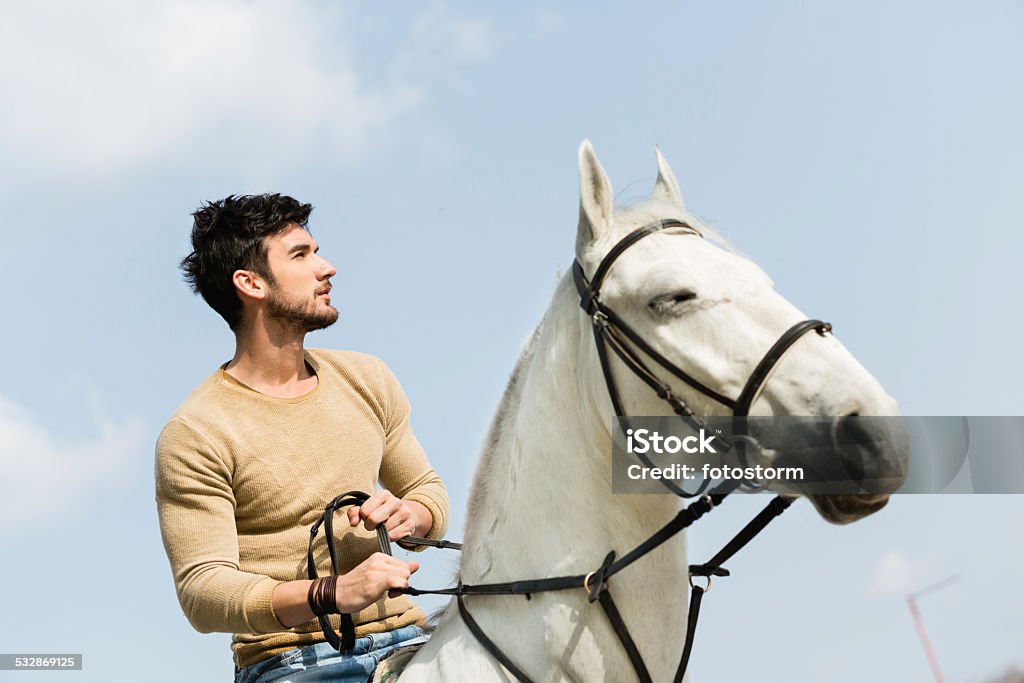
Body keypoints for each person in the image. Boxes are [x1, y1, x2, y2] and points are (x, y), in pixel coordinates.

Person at [155, 194, 449, 682]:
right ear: (250, 284)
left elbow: (427, 492)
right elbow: (202, 591)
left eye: (317, 251)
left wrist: (410, 513)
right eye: (301, 255)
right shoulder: (196, 432)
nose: (326, 267)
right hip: (292, 661)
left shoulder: (368, 378)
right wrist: (329, 593)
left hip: (412, 640)